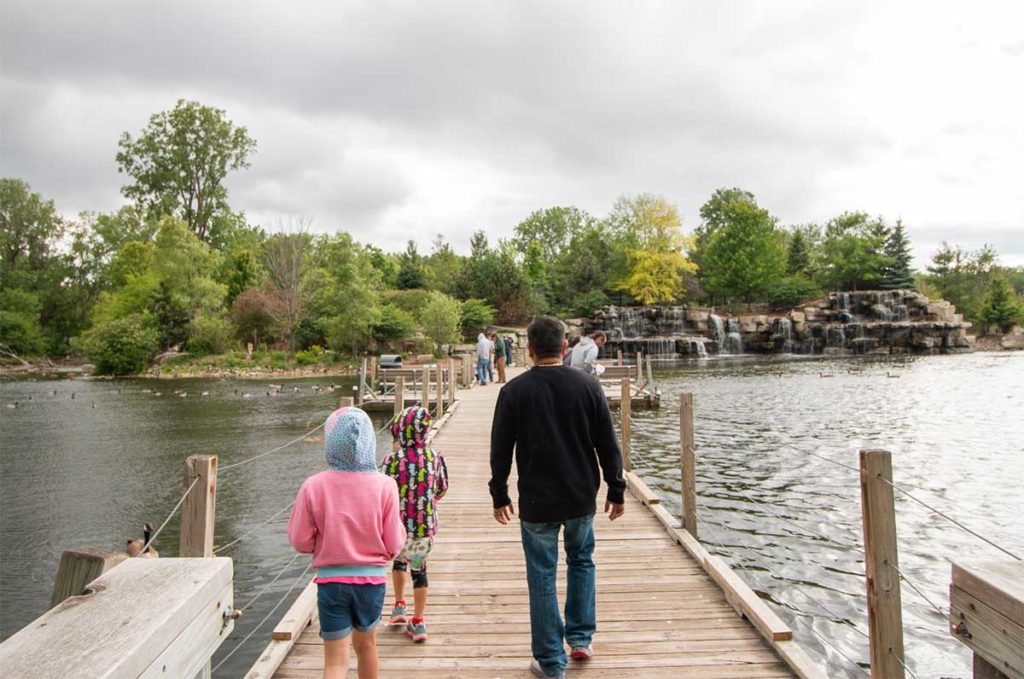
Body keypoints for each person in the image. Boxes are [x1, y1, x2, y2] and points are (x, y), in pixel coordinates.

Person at [489, 315, 626, 679]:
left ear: (530, 350)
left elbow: (500, 449)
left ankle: (550, 660)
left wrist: (499, 493)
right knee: (582, 561)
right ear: (565, 348)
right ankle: (580, 639)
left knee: (542, 573)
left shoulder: (513, 392)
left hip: (536, 502)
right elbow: (607, 444)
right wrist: (616, 487)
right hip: (581, 495)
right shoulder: (588, 386)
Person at [288, 406, 406, 679]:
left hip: (332, 583)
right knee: (366, 647)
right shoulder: (385, 485)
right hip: (372, 583)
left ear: (331, 444)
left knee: (335, 661)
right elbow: (393, 542)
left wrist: (319, 543)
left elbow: (300, 541)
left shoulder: (313, 486)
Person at [381, 406, 449, 643]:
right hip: (422, 530)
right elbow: (442, 488)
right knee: (419, 572)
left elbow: (382, 491)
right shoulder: (434, 458)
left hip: (396, 528)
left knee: (399, 563)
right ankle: (418, 622)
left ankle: (399, 605)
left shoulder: (391, 461)